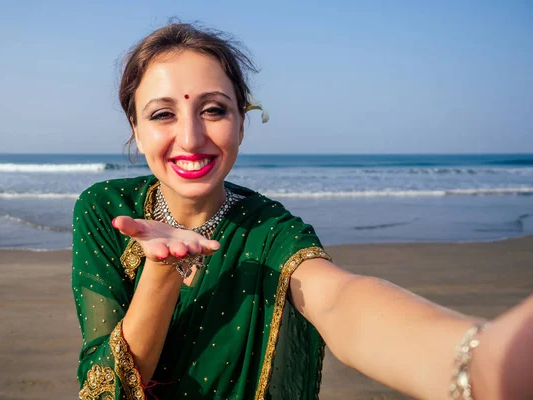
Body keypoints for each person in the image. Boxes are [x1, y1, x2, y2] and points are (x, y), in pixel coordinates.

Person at [72, 22, 533, 400]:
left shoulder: (271, 231)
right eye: (162, 114)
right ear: (134, 127)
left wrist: (480, 359)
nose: (191, 139)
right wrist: (162, 269)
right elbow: (104, 390)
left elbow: (339, 301)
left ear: (241, 123)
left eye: (213, 110)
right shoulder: (106, 211)